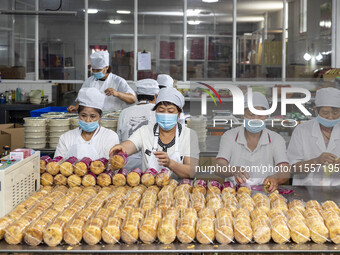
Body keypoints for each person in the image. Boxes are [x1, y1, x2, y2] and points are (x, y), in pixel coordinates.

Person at [110, 87, 200, 180]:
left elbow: (192, 171)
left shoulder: (189, 135)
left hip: (179, 190)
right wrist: (121, 148)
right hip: (150, 191)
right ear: (155, 112)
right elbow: (130, 145)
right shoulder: (145, 131)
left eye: (170, 111)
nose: (165, 114)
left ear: (179, 112)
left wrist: (170, 163)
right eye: (161, 110)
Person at [216, 92, 290, 192]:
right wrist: (232, 170)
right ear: (243, 115)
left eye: (260, 115)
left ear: (266, 116)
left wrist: (276, 178)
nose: (255, 119)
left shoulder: (276, 139)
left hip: (266, 192)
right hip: (234, 193)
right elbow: (219, 167)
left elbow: (285, 172)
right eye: (251, 115)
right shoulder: (229, 136)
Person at [288, 87, 340, 186]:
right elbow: (293, 168)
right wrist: (316, 161)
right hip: (306, 189)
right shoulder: (302, 130)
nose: (330, 117)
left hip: (337, 189)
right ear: (316, 110)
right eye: (325, 113)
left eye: (335, 113)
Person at [55, 87, 119, 160]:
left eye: (93, 116)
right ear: (78, 114)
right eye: (83, 115)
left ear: (100, 117)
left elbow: (113, 165)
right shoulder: (66, 138)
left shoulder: (109, 137)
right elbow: (56, 165)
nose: (88, 120)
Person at [67, 51, 136, 113]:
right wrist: (76, 107)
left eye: (98, 70)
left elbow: (132, 99)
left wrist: (117, 93)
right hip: (93, 117)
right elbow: (82, 98)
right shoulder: (89, 81)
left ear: (106, 67)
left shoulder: (118, 81)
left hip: (113, 116)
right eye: (93, 70)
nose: (95, 72)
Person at [117, 79, 159, 170]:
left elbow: (119, 139)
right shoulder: (159, 111)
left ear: (136, 95)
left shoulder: (124, 112)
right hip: (151, 166)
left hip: (127, 165)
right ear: (156, 96)